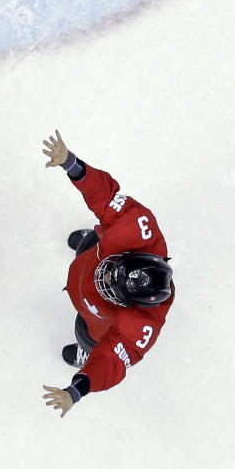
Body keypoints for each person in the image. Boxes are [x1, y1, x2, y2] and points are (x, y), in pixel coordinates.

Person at [40, 129, 173, 417]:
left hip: (95, 317)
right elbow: (105, 196)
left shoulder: (138, 326)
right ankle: (90, 241)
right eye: (111, 271)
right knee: (94, 241)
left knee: (88, 337)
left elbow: (112, 361)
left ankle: (83, 352)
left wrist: (78, 389)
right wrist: (71, 164)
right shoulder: (136, 226)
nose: (103, 278)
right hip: (98, 251)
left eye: (109, 286)